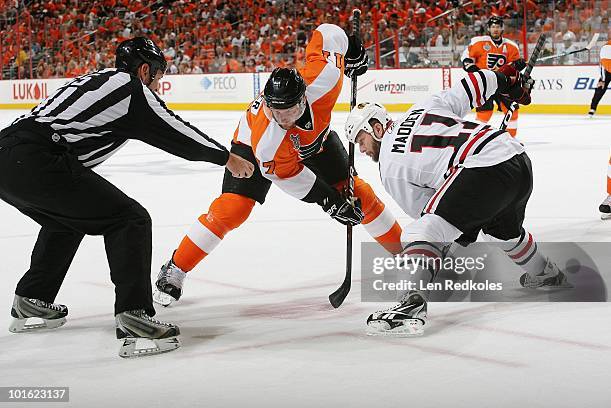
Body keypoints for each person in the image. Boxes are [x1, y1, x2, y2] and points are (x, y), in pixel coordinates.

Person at [0, 37, 254, 358]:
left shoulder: (95, 79)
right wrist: (226, 157)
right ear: (145, 69)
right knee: (129, 219)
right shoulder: (131, 89)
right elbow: (175, 131)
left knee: (68, 220)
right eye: (157, 77)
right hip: (37, 157)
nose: (157, 85)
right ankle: (135, 316)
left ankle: (30, 300)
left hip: (9, 155)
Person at [154, 23, 403, 306]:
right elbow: (289, 177)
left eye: (290, 111)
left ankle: (410, 260)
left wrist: (350, 45)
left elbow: (327, 32)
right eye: (277, 111)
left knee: (359, 195)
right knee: (233, 208)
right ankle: (176, 267)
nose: (283, 118)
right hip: (251, 146)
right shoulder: (268, 139)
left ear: (303, 99)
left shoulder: (325, 79)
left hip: (316, 140)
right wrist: (329, 201)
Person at [344, 63, 571, 337]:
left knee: (422, 230)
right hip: (516, 158)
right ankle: (547, 273)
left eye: (361, 139)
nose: (363, 149)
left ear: (377, 127)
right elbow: (474, 84)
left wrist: (452, 238)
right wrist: (508, 81)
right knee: (502, 233)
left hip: (482, 170)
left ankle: (409, 303)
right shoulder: (423, 107)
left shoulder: (390, 167)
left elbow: (430, 219)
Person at [461, 16, 524, 137]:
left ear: (502, 29)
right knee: (485, 113)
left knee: (512, 110)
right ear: (488, 29)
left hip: (503, 82)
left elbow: (514, 67)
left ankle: (511, 140)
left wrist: (518, 65)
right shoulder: (478, 42)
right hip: (484, 82)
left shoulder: (511, 46)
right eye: (493, 27)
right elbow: (466, 58)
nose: (495, 29)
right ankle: (475, 138)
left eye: (498, 27)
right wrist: (474, 69)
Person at [588, 39, 611, 117]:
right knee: (600, 88)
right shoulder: (606, 49)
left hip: (608, 68)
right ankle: (592, 108)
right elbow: (601, 65)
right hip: (607, 71)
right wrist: (603, 79)